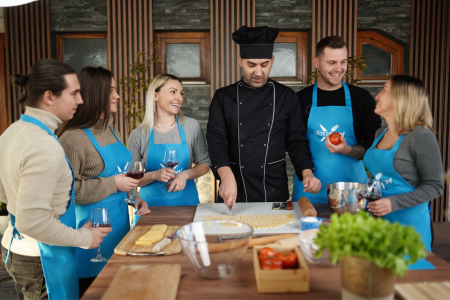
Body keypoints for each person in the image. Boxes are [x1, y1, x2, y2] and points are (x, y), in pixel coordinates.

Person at [0, 59, 111, 300]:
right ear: (50, 97)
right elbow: (33, 221)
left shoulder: (12, 132)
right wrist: (84, 238)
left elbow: (4, 194)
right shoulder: (43, 145)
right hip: (42, 258)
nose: (80, 101)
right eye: (74, 93)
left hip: (15, 248)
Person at [206, 26, 321, 208]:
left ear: (272, 61)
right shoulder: (223, 97)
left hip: (274, 187)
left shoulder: (286, 97)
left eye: (264, 65)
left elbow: (296, 141)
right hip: (234, 185)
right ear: (240, 61)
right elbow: (216, 140)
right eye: (251, 65)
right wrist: (226, 176)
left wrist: (307, 173)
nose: (258, 72)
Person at [58, 66, 150, 288]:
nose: (117, 95)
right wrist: (113, 183)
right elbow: (67, 193)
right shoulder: (72, 139)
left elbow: (121, 173)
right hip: (90, 235)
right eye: (111, 90)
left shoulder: (111, 130)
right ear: (93, 94)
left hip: (119, 229)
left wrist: (133, 196)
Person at [294, 36, 381, 204]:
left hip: (352, 190)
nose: (339, 69)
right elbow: (295, 144)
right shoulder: (300, 100)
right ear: (316, 63)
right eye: (331, 62)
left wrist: (347, 149)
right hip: (310, 187)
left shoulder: (361, 99)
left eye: (343, 62)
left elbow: (374, 145)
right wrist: (307, 174)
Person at [363, 75, 444, 251]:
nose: (377, 96)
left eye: (383, 90)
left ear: (400, 98)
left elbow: (435, 186)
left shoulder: (421, 136)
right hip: (377, 224)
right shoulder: (381, 133)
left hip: (409, 227)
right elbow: (377, 176)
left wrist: (393, 203)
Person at [127, 73, 210, 211]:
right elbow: (130, 180)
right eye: (173, 92)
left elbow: (205, 164)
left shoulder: (191, 127)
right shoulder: (139, 135)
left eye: (181, 93)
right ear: (155, 95)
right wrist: (154, 175)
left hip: (187, 205)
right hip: (150, 209)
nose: (179, 98)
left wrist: (185, 175)